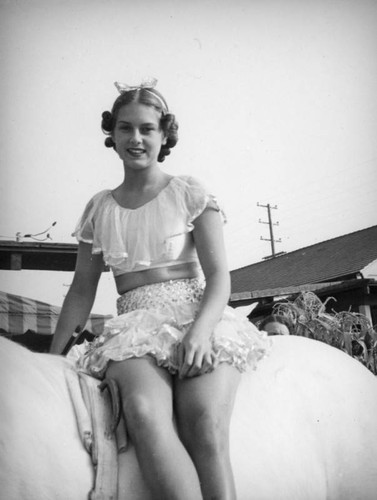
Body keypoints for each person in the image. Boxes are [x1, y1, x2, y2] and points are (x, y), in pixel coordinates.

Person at [50, 78, 270, 500]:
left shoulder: (189, 193)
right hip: (134, 329)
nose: (136, 138)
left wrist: (201, 332)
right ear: (111, 135)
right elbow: (81, 291)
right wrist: (55, 356)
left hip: (196, 314)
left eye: (147, 129)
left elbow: (220, 275)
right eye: (125, 128)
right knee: (143, 412)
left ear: (164, 134)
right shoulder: (100, 208)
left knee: (203, 421)